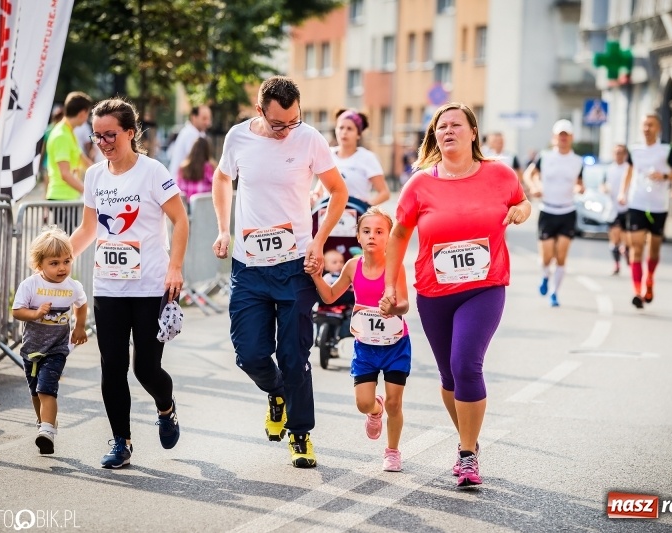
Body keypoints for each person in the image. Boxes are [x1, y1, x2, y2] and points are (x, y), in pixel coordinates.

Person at [382, 102, 531, 488]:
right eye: (441, 126)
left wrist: (522, 210)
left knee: (466, 364)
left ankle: (466, 454)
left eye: (455, 125)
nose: (448, 130)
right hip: (434, 293)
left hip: (484, 287)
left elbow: (521, 199)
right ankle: (470, 439)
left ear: (473, 132)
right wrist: (390, 285)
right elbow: (399, 234)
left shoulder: (499, 173)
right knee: (449, 376)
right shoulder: (420, 184)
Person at [211, 76, 349, 468]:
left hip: (295, 266)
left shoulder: (309, 139)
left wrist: (318, 240)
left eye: (293, 121)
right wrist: (223, 229)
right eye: (277, 124)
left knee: (293, 355)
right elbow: (222, 177)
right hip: (249, 266)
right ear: (259, 111)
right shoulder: (238, 138)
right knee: (250, 354)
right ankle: (276, 394)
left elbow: (338, 191)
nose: (287, 130)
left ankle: (300, 434)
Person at [69, 97, 189, 468]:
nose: (103, 142)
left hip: (150, 285)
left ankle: (166, 407)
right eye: (97, 135)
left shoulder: (153, 171)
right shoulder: (94, 175)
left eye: (111, 135)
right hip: (109, 286)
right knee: (112, 366)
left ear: (130, 133)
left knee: (145, 369)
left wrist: (175, 267)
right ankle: (121, 441)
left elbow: (180, 221)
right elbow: (89, 229)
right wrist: (57, 259)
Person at [311, 207, 411, 472]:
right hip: (365, 344)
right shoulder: (352, 266)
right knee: (363, 403)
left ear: (389, 237)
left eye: (379, 232)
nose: (372, 236)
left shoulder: (395, 266)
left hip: (395, 344)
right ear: (358, 236)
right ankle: (375, 411)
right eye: (366, 231)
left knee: (395, 403)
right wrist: (316, 275)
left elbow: (404, 304)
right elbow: (330, 296)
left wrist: (393, 307)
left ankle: (392, 452)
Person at [11, 227, 88, 455]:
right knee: (36, 392)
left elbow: (82, 304)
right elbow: (17, 311)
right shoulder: (31, 285)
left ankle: (47, 431)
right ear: (39, 264)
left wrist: (80, 326)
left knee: (46, 389)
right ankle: (44, 423)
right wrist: (35, 313)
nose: (62, 268)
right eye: (54, 263)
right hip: (32, 348)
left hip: (57, 348)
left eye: (66, 261)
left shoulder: (72, 287)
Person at [618, 113, 672, 309]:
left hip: (658, 207)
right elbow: (629, 172)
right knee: (636, 248)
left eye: (651, 125)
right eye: (644, 125)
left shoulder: (667, 149)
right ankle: (637, 291)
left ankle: (649, 280)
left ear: (658, 128)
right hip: (637, 204)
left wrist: (664, 175)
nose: (647, 129)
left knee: (653, 251)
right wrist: (622, 193)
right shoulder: (635, 150)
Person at [525, 119, 584, 307]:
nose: (563, 138)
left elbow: (580, 183)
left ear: (571, 137)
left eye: (566, 135)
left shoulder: (578, 161)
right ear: (554, 137)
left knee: (561, 256)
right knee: (546, 256)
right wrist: (535, 186)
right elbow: (529, 174)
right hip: (547, 211)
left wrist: (579, 188)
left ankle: (554, 293)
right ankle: (544, 275)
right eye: (560, 135)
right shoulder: (544, 157)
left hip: (567, 211)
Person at [310, 109, 389, 207]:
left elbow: (384, 193)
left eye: (349, 129)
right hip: (328, 212)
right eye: (341, 127)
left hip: (356, 212)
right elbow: (320, 189)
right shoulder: (328, 154)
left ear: (358, 134)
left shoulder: (367, 157)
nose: (344, 132)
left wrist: (366, 205)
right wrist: (314, 197)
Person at [46, 92, 93, 233]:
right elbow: (65, 174)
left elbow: (83, 161)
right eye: (88, 114)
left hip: (67, 197)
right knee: (66, 242)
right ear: (83, 113)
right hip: (61, 198)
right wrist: (89, 192)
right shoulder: (62, 135)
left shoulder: (68, 131)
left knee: (69, 241)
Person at [602, 144, 630, 274]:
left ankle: (626, 251)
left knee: (627, 238)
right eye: (616, 153)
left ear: (625, 154)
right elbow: (603, 184)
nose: (618, 155)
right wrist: (604, 189)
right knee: (614, 237)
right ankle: (617, 264)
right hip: (613, 208)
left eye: (621, 152)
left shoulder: (629, 168)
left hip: (628, 208)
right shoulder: (609, 169)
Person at [167, 104, 212, 181]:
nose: (207, 123)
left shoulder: (199, 133)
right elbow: (197, 160)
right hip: (182, 183)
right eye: (204, 118)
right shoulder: (190, 134)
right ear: (194, 117)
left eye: (209, 119)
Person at [177, 137, 215, 202]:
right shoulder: (208, 167)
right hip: (202, 204)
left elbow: (179, 188)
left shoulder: (183, 167)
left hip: (186, 204)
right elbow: (214, 187)